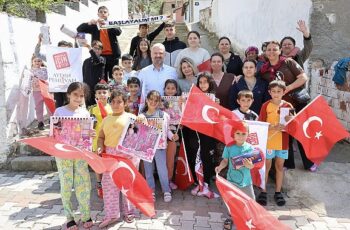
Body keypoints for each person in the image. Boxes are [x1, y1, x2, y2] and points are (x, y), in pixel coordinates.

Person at [260, 40, 315, 172]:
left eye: (275, 49)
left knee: (301, 132)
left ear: (280, 51)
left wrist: (288, 87)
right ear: (265, 52)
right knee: (286, 132)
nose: (272, 52)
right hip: (282, 105)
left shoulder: (288, 62)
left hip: (298, 102)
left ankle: (309, 162)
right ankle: (288, 163)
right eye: (269, 49)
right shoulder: (264, 70)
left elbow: (303, 77)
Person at [97, 89, 140, 228]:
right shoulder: (106, 119)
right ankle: (112, 214)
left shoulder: (131, 117)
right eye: (113, 102)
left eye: (119, 102)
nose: (116, 104)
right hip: (110, 155)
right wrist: (99, 147)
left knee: (128, 184)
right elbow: (101, 137)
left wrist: (143, 119)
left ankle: (129, 212)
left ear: (125, 102)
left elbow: (141, 135)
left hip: (128, 156)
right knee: (108, 184)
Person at [53, 82, 94, 230]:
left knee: (83, 183)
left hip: (80, 153)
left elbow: (86, 135)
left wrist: (90, 134)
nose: (78, 98)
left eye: (81, 95)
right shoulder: (59, 112)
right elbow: (54, 133)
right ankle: (69, 218)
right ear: (68, 94)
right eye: (75, 94)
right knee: (66, 184)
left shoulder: (84, 113)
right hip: (63, 154)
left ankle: (85, 214)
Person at [257, 80, 294, 207]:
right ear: (269, 92)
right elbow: (260, 125)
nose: (276, 94)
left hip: (283, 142)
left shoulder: (288, 106)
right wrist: (273, 127)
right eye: (273, 91)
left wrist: (291, 121)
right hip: (268, 141)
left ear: (284, 92)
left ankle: (278, 192)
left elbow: (294, 126)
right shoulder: (265, 105)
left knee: (279, 167)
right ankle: (263, 191)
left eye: (279, 91)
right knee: (266, 166)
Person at [138, 90, 179, 202]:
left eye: (156, 100)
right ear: (147, 100)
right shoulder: (142, 116)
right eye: (151, 99)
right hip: (147, 148)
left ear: (159, 102)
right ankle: (151, 190)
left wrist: (172, 137)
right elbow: (138, 132)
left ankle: (166, 190)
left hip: (160, 147)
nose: (153, 102)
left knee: (162, 170)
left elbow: (168, 130)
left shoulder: (164, 115)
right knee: (148, 170)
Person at [215, 121, 255, 230]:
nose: (241, 136)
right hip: (232, 181)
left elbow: (252, 166)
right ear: (233, 134)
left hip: (246, 182)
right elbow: (225, 161)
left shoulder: (250, 148)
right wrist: (220, 167)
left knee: (251, 201)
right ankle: (230, 218)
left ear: (248, 134)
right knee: (231, 201)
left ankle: (250, 219)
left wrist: (250, 165)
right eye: (238, 133)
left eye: (243, 134)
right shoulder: (229, 147)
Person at [77, 6, 122, 79]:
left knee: (113, 77)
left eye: (105, 12)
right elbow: (79, 29)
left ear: (108, 14)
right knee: (101, 77)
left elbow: (119, 32)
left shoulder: (111, 23)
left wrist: (107, 25)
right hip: (99, 55)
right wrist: (89, 23)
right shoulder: (94, 26)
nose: (103, 13)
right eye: (101, 12)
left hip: (113, 56)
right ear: (98, 14)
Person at [191, 73, 218, 198]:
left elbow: (217, 117)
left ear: (210, 83)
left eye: (205, 82)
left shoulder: (214, 97)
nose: (203, 85)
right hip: (195, 131)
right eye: (200, 82)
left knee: (207, 157)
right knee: (196, 155)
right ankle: (198, 181)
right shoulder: (193, 96)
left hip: (208, 132)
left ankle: (206, 182)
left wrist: (217, 105)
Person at [88, 83, 112, 199]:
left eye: (104, 92)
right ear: (95, 95)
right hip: (96, 140)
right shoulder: (92, 109)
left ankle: (110, 184)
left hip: (110, 140)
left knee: (109, 163)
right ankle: (99, 183)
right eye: (99, 93)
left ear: (109, 94)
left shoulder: (113, 107)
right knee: (97, 163)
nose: (102, 95)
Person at [163, 79, 180, 190]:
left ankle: (169, 180)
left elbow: (181, 117)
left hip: (173, 133)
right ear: (164, 89)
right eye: (168, 88)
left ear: (176, 90)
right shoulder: (159, 101)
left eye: (173, 88)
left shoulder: (179, 101)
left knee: (170, 158)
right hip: (161, 133)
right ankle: (161, 179)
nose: (170, 90)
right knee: (161, 159)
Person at [82, 40, 106, 107]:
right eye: (95, 48)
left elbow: (96, 60)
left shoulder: (102, 59)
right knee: (89, 107)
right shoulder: (86, 61)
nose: (97, 50)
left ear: (101, 51)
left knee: (98, 107)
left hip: (97, 88)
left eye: (99, 49)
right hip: (88, 88)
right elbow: (83, 74)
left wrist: (90, 49)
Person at [31, 55, 49, 130]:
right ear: (32, 62)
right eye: (35, 61)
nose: (37, 62)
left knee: (49, 105)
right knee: (38, 107)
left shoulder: (45, 69)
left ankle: (51, 119)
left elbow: (47, 78)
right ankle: (40, 122)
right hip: (36, 91)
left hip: (45, 90)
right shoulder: (30, 71)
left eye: (39, 61)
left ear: (41, 62)